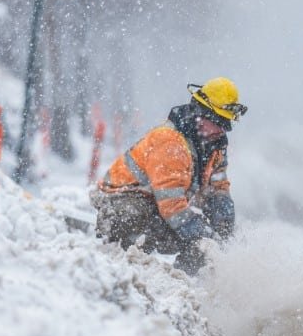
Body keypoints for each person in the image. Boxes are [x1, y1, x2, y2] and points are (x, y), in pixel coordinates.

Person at [91, 77, 247, 275]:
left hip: (157, 208)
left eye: (225, 123)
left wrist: (223, 224)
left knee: (204, 247)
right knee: (134, 217)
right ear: (200, 113)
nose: (221, 129)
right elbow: (171, 204)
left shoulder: (214, 146)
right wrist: (205, 234)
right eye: (217, 121)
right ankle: (117, 266)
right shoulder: (170, 141)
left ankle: (186, 282)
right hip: (121, 201)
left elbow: (218, 186)